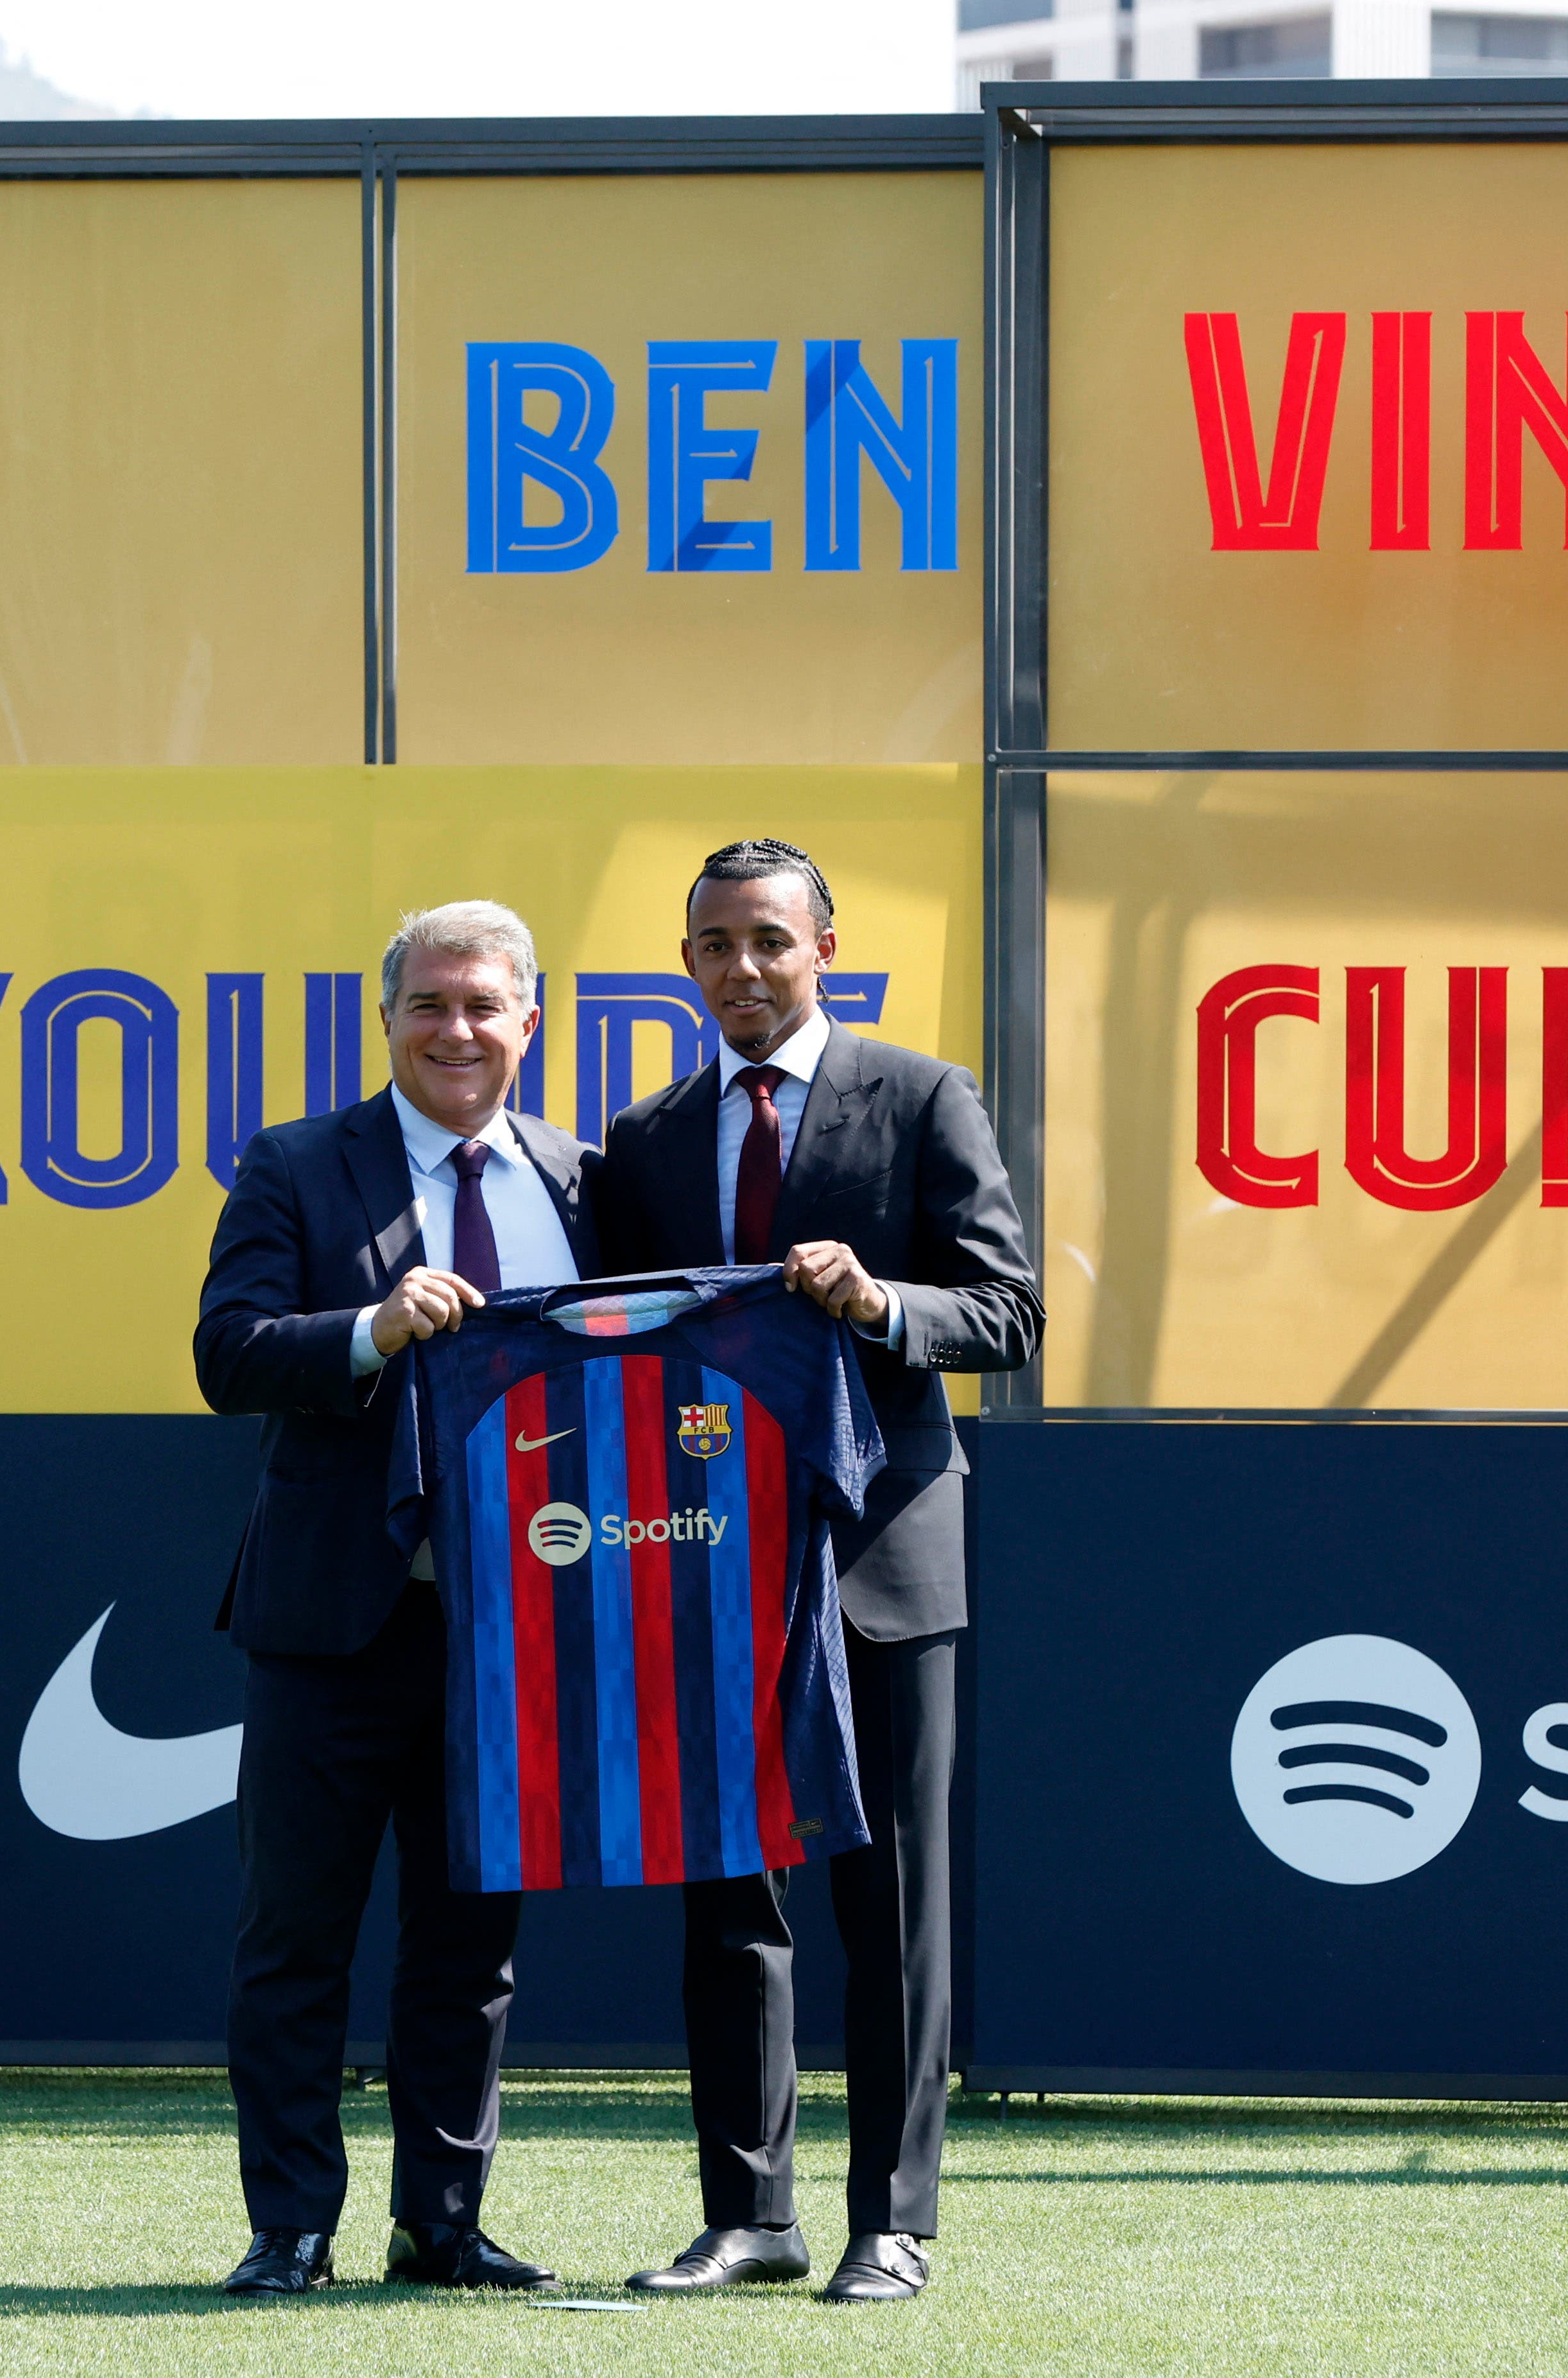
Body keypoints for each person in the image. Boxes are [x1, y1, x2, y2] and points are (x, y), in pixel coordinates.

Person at [590, 838, 1041, 2304]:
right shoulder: (644, 1136)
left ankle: (891, 2222)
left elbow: (1006, 1312)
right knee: (730, 1897)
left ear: (824, 949)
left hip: (880, 1552)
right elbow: (614, 1343)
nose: (742, 969)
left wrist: (876, 1300)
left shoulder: (922, 1094)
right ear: (685, 962)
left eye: (769, 941)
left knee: (889, 1899)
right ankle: (749, 2216)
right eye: (714, 945)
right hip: (705, 1554)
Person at [193, 900, 598, 2298]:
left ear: (530, 1021)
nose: (456, 1029)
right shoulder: (297, 1162)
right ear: (386, 1020)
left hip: (517, 1628)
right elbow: (229, 1353)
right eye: (429, 1003)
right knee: (294, 1937)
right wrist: (370, 1329)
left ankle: (442, 2223)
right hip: (334, 1621)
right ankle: (290, 2225)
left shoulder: (585, 1180)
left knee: (470, 1946)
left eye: (484, 1005)